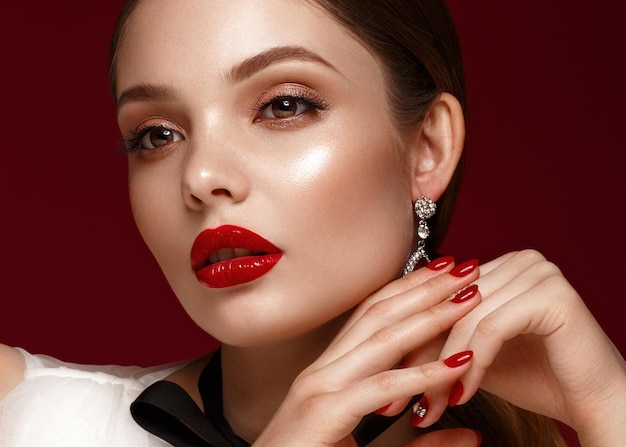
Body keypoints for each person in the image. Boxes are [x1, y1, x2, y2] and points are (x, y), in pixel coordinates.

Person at [1, 0, 625, 446]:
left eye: (283, 105)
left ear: (428, 148)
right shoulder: (26, 414)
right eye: (156, 134)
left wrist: (609, 407)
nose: (199, 176)